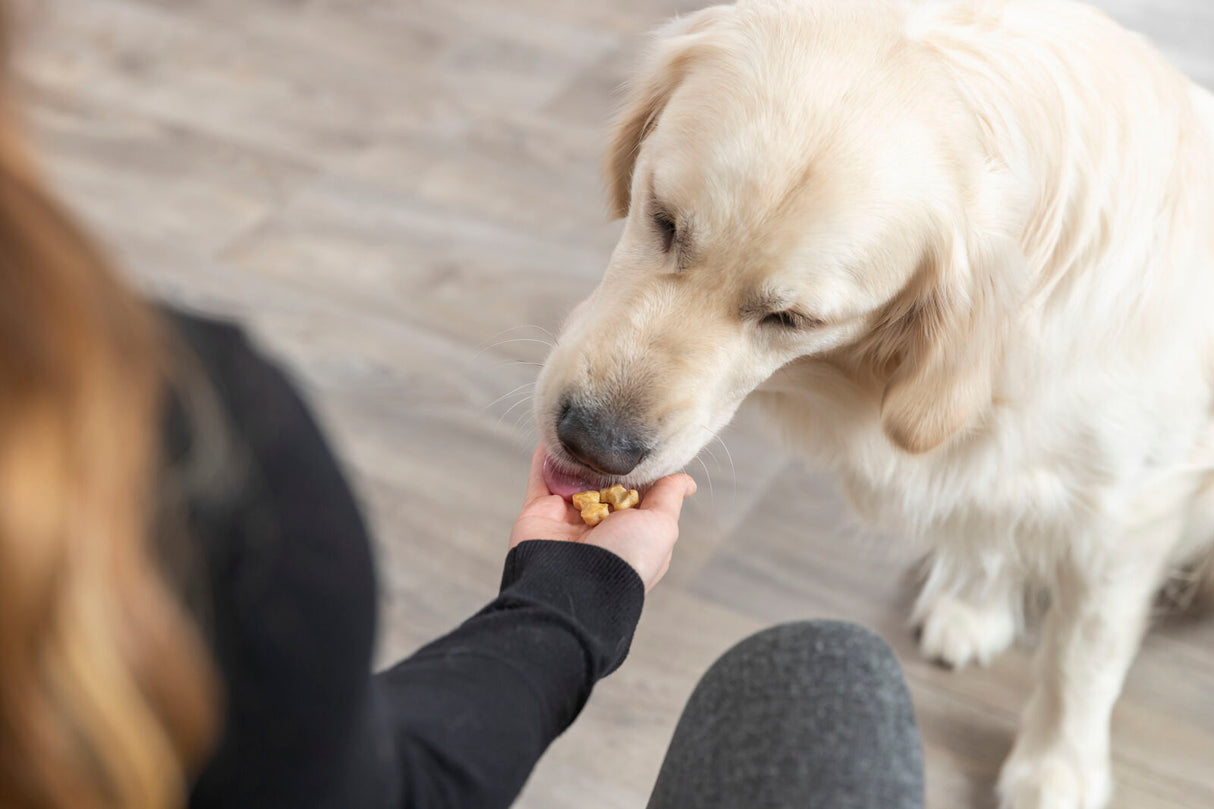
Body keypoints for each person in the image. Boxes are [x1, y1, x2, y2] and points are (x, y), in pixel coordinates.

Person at [0, 10, 925, 809]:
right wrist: (568, 608)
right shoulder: (201, 447)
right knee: (826, 682)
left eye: (785, 314)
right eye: (667, 223)